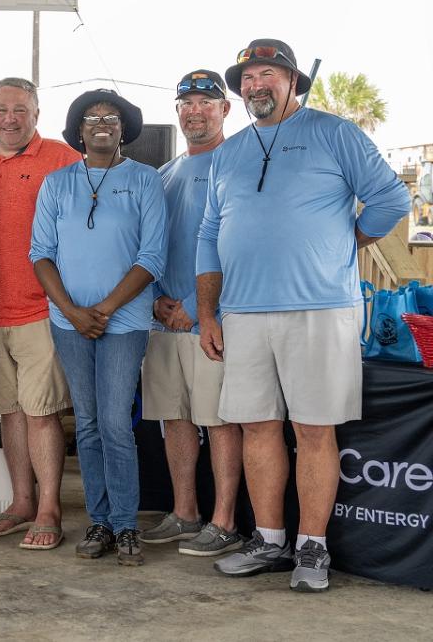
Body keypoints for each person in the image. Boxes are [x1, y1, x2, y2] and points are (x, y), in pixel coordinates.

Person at [199, 39, 409, 592]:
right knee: (257, 427)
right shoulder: (229, 151)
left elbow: (391, 199)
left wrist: (348, 239)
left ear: (294, 80)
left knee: (313, 429)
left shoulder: (335, 133)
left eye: (267, 73)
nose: (254, 84)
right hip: (242, 312)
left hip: (320, 309)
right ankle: (269, 541)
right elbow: (208, 235)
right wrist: (207, 311)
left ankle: (311, 549)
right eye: (247, 77)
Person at [30, 89, 166, 567]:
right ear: (79, 130)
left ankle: (127, 525)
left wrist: (104, 308)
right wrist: (70, 309)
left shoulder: (146, 181)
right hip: (68, 321)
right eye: (92, 119)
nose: (102, 124)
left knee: (112, 421)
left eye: (111, 117)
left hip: (123, 321)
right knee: (85, 424)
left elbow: (151, 257)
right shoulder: (56, 183)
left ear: (124, 127)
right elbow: (40, 254)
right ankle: (100, 520)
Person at [0, 78, 80, 550]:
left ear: (36, 113)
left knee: (41, 413)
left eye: (19, 110)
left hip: (41, 310)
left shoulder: (63, 159)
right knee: (9, 414)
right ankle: (21, 501)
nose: (9, 118)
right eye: (1, 109)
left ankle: (50, 506)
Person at [139, 70, 244, 557]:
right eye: (187, 103)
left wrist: (204, 311)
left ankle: (223, 521)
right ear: (177, 112)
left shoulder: (239, 163)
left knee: (219, 421)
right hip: (164, 322)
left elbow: (240, 247)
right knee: (174, 420)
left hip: (212, 322)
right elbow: (151, 247)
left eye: (207, 101)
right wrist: (158, 300)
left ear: (225, 110)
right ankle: (185, 513)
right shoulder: (165, 173)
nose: (195, 110)